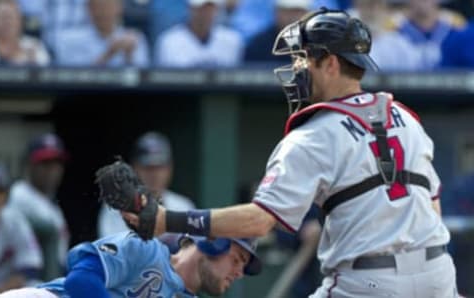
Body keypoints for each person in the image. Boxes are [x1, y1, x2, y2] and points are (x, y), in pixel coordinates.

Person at [122, 8, 458, 297]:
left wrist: (169, 220)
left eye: (303, 58)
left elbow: (258, 222)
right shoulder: (405, 118)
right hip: (438, 275)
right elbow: (432, 206)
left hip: (367, 282)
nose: (296, 67)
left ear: (330, 64)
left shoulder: (314, 134)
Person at [0, 232, 261, 297]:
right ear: (212, 243)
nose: (238, 273)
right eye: (236, 259)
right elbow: (81, 280)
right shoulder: (147, 250)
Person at [98, 132, 195, 243]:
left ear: (170, 168)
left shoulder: (183, 206)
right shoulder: (117, 207)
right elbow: (115, 253)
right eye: (148, 168)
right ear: (134, 169)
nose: (155, 175)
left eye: (160, 167)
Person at [8, 133, 70, 282]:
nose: (52, 170)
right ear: (30, 165)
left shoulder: (50, 204)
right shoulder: (19, 195)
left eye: (57, 164)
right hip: (24, 282)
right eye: (45, 164)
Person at [0, 161, 43, 295]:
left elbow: (30, 267)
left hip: (8, 291)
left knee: (36, 287)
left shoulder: (14, 221)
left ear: (5, 196)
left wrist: (2, 290)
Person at [54, 0, 149, 67]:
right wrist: (109, 53)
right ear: (88, 8)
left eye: (108, 6)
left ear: (119, 7)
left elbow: (142, 81)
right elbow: (73, 80)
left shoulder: (135, 38)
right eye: (98, 6)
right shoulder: (70, 39)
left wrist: (129, 55)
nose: (103, 12)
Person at [154, 0, 243, 68]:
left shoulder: (232, 40)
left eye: (210, 8)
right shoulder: (169, 41)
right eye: (200, 8)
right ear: (190, 8)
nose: (205, 13)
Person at [244, 0, 310, 64]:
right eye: (286, 11)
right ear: (276, 12)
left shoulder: (316, 43)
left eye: (297, 11)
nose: (292, 17)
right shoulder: (258, 45)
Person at [0, 0, 50, 66]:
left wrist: (32, 62)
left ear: (20, 22)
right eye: (3, 18)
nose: (7, 23)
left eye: (11, 18)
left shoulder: (34, 47)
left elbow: (47, 71)